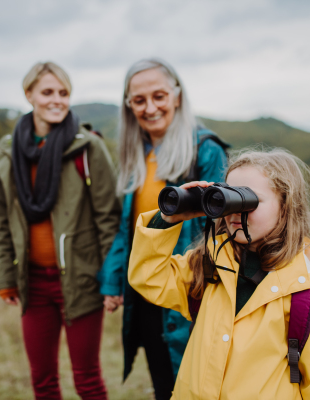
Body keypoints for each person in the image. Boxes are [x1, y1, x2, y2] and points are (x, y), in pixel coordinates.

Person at [127, 148, 310, 399]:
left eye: (249, 199)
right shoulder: (207, 266)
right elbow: (147, 278)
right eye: (228, 197)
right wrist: (167, 219)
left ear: (285, 206)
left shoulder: (305, 291)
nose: (235, 211)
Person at [97, 58, 229, 400]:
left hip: (188, 290)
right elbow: (127, 230)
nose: (150, 107)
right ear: (129, 106)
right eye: (139, 100)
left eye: (159, 96)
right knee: (162, 382)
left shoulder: (206, 149)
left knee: (195, 384)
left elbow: (222, 228)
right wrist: (114, 280)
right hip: (146, 287)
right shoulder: (136, 155)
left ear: (177, 96)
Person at [0, 61, 121, 400]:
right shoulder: (7, 151)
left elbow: (109, 219)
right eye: (48, 92)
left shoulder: (88, 147)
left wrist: (111, 279)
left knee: (87, 380)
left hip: (81, 280)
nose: (57, 100)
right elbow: (3, 219)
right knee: (43, 381)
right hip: (32, 283)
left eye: (64, 93)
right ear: (29, 94)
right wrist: (5, 276)